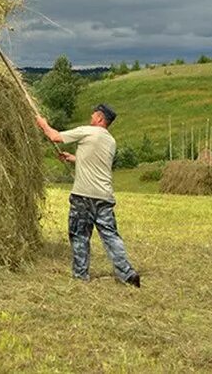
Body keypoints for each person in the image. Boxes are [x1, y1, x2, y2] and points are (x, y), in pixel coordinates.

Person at [35, 103, 140, 287]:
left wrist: (42, 123)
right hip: (104, 197)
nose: (90, 118)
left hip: (83, 196)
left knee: (79, 236)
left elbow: (54, 136)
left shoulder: (87, 131)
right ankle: (127, 273)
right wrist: (74, 158)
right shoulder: (110, 141)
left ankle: (80, 275)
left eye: (93, 115)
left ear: (100, 118)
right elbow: (96, 162)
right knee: (111, 236)